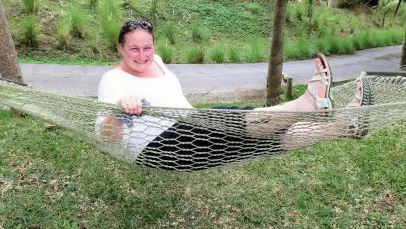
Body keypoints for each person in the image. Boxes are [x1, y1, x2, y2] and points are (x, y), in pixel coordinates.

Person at [97, 20, 367, 171]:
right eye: (134, 49)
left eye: (147, 47)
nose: (142, 55)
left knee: (263, 138)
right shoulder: (113, 80)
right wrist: (120, 114)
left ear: (154, 46)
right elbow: (104, 135)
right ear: (120, 48)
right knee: (230, 118)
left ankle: (347, 126)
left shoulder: (156, 61)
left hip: (193, 123)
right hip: (159, 149)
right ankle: (310, 102)